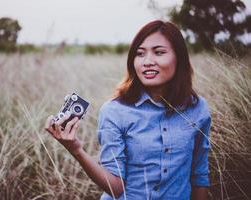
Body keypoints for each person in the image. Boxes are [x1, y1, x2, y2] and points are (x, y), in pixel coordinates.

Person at [45, 20, 211, 200]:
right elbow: (115, 188)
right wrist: (76, 149)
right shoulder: (115, 111)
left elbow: (199, 175)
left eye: (159, 52)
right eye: (140, 54)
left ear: (179, 57)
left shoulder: (198, 108)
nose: (147, 61)